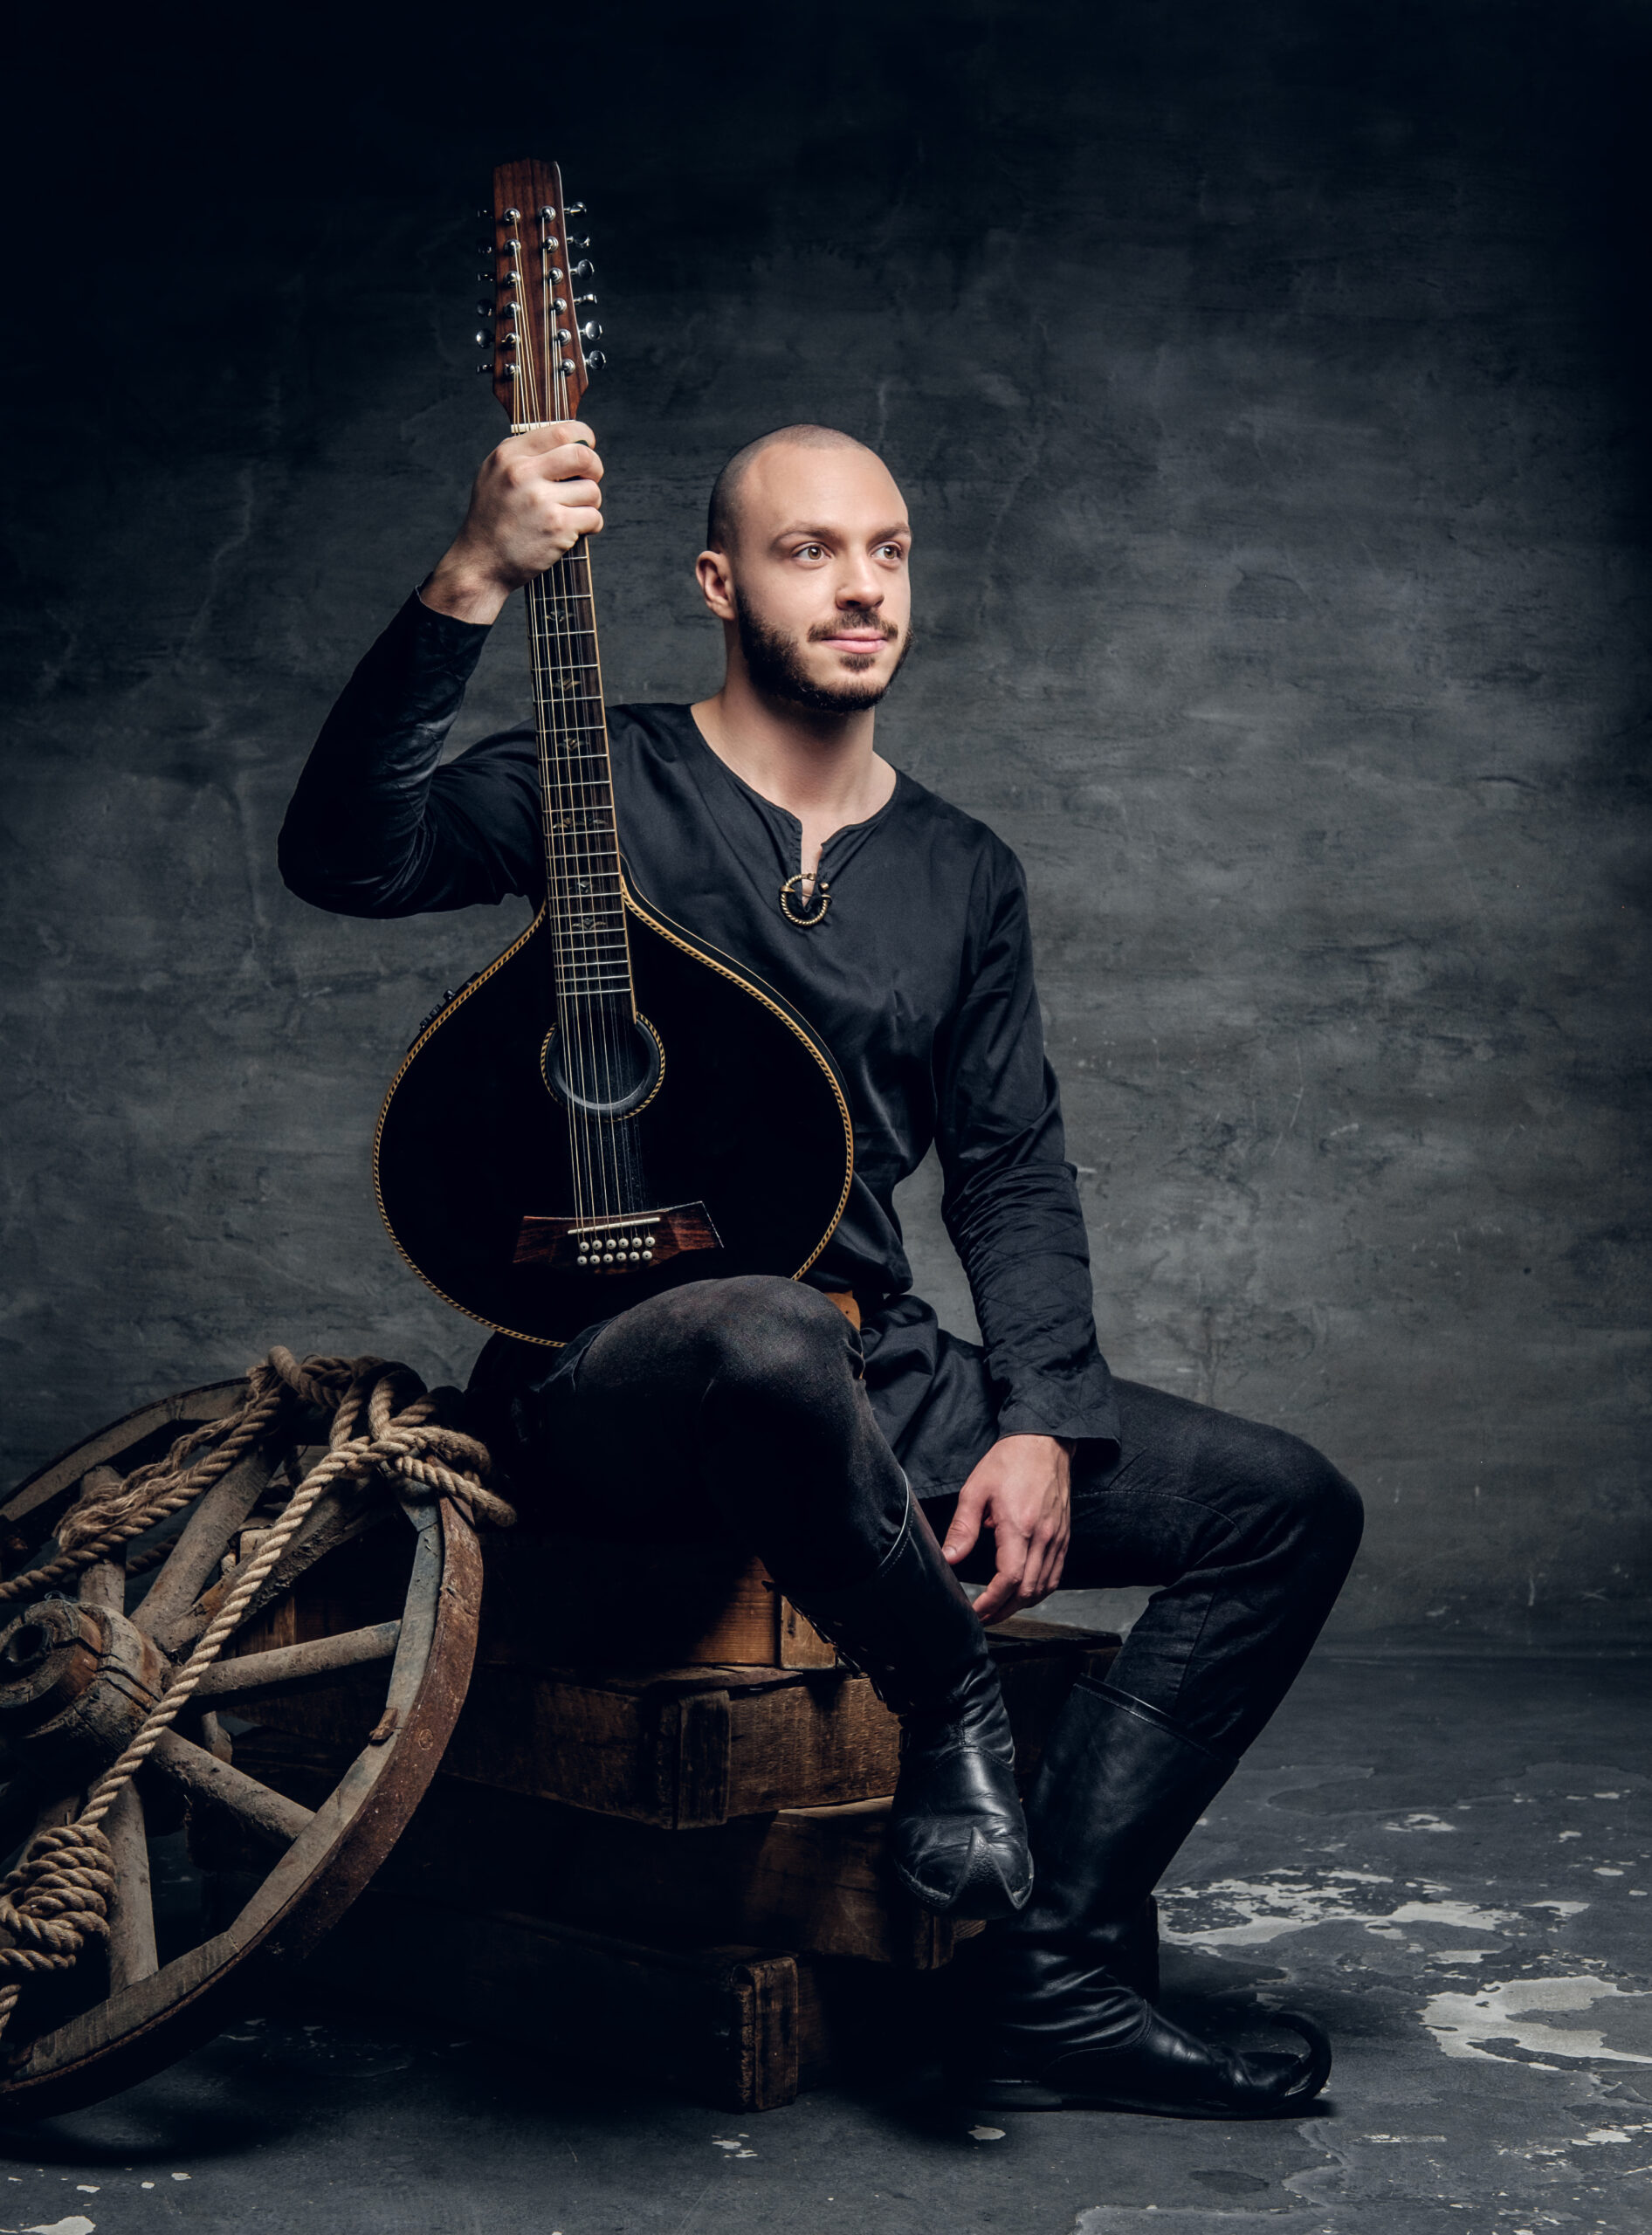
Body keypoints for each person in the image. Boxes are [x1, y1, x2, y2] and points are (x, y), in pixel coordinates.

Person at [279, 417, 1363, 2117]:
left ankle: (1047, 1965)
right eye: (808, 550)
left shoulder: (958, 871)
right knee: (766, 1329)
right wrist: (473, 574)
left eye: (888, 548)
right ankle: (951, 1703)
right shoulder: (599, 783)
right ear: (718, 582)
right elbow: (345, 857)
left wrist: (1039, 1420)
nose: (860, 584)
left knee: (1284, 1505)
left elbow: (1007, 1168)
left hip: (869, 1377)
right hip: (617, 1391)